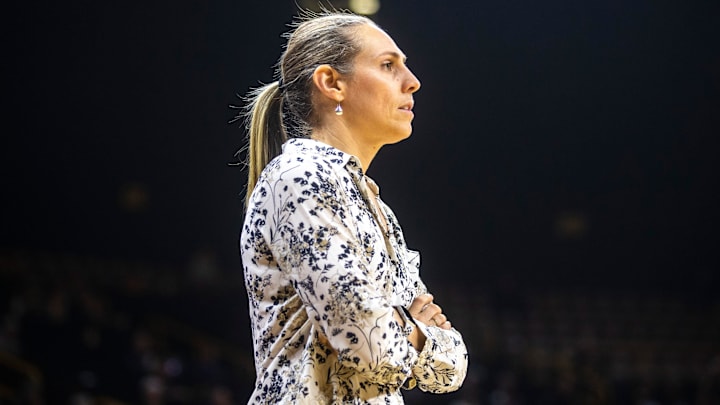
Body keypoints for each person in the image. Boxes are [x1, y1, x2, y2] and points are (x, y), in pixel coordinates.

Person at [237, 8, 468, 404]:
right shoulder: (300, 177)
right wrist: (414, 327)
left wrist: (399, 326)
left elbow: (453, 365)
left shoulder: (374, 204)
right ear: (331, 83)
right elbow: (369, 346)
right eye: (387, 65)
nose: (412, 83)